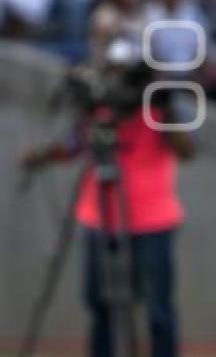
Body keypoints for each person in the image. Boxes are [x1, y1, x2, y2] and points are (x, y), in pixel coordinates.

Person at [20, 41, 194, 357]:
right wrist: (38, 157)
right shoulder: (95, 106)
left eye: (125, 74)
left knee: (158, 309)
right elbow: (73, 145)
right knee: (99, 305)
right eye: (113, 71)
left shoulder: (157, 107)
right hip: (100, 217)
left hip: (153, 220)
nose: (118, 81)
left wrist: (163, 107)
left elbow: (187, 150)